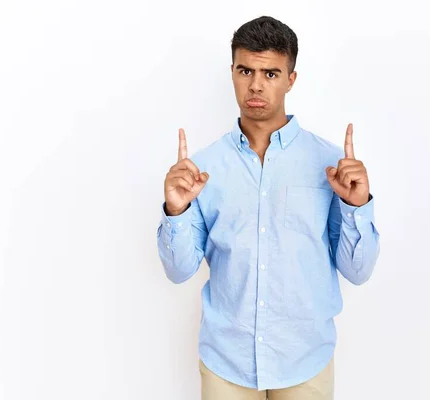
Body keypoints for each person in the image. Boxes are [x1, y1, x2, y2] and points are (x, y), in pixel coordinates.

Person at [156, 15, 380, 400]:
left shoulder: (329, 164)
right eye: (246, 70)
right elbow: (179, 272)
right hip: (227, 361)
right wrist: (175, 211)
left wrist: (356, 205)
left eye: (271, 73)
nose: (256, 84)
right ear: (232, 73)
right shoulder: (202, 170)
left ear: (291, 79)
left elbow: (358, 272)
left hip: (304, 360)